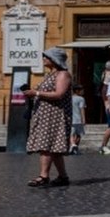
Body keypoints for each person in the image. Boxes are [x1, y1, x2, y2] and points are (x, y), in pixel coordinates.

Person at [25, 48, 74, 187]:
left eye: (46, 57)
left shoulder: (63, 74)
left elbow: (59, 94)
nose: (44, 59)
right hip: (47, 115)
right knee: (54, 149)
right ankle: (63, 177)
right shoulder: (51, 74)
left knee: (46, 146)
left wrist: (36, 93)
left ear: (54, 59)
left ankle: (43, 176)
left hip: (55, 116)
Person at [70, 84, 86, 155]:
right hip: (78, 119)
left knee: (71, 134)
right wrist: (84, 119)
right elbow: (82, 109)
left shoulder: (69, 98)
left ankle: (73, 145)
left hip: (71, 119)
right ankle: (75, 146)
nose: (83, 91)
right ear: (77, 91)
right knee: (79, 135)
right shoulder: (81, 99)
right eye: (82, 90)